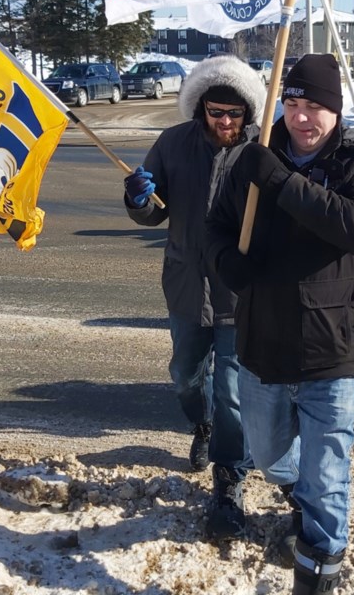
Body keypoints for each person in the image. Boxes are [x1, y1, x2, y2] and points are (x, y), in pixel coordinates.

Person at [205, 52, 354, 594]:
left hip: (332, 351)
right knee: (268, 456)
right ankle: (302, 493)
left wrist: (281, 182)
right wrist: (226, 262)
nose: (302, 117)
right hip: (263, 343)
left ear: (335, 110)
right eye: (292, 103)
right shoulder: (252, 160)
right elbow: (214, 228)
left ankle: (315, 579)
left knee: (328, 481)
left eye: (315, 106)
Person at [122, 54, 267, 540]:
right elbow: (151, 213)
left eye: (235, 113)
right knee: (185, 374)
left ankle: (230, 476)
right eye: (215, 112)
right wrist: (139, 199)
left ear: (248, 114)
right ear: (200, 108)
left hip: (238, 291)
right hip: (186, 282)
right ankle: (200, 425)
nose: (225, 122)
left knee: (231, 390)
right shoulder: (173, 143)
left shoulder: (262, 150)